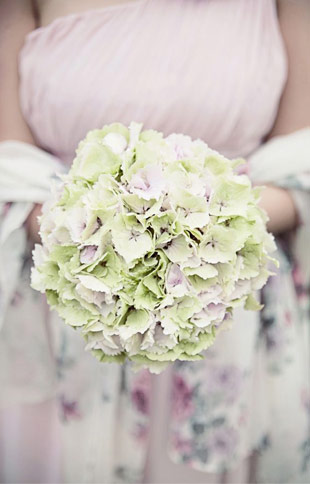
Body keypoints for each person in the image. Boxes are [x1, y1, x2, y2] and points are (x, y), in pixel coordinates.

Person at [0, 0, 309, 482]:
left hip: (225, 301)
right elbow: (10, 164)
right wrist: (98, 237)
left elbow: (300, 167)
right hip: (68, 299)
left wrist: (199, 226)